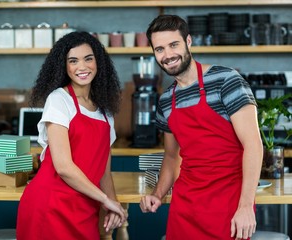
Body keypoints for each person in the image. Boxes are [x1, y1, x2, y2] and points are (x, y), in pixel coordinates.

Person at [139, 15, 263, 240]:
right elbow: (171, 156)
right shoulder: (166, 100)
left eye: (173, 45)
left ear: (188, 41)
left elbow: (253, 145)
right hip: (185, 205)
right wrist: (157, 193)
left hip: (228, 202)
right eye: (159, 49)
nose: (167, 55)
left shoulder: (226, 80)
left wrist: (246, 206)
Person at [16, 31, 127, 240]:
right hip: (50, 206)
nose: (82, 67)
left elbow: (104, 171)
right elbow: (64, 167)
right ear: (64, 67)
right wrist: (105, 200)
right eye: (73, 61)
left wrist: (113, 204)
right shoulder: (59, 100)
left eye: (88, 58)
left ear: (98, 62)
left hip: (85, 208)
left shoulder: (105, 110)